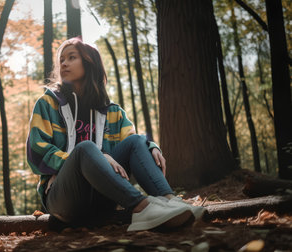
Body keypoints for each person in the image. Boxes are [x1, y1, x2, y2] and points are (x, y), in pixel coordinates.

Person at [26, 37, 204, 231]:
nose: (64, 63)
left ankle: (172, 203)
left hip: (103, 196)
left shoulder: (112, 111)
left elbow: (133, 141)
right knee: (86, 148)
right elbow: (37, 151)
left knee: (137, 141)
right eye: (61, 59)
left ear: (89, 62)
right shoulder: (48, 104)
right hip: (64, 200)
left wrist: (151, 147)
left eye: (71, 57)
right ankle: (142, 208)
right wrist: (93, 157)